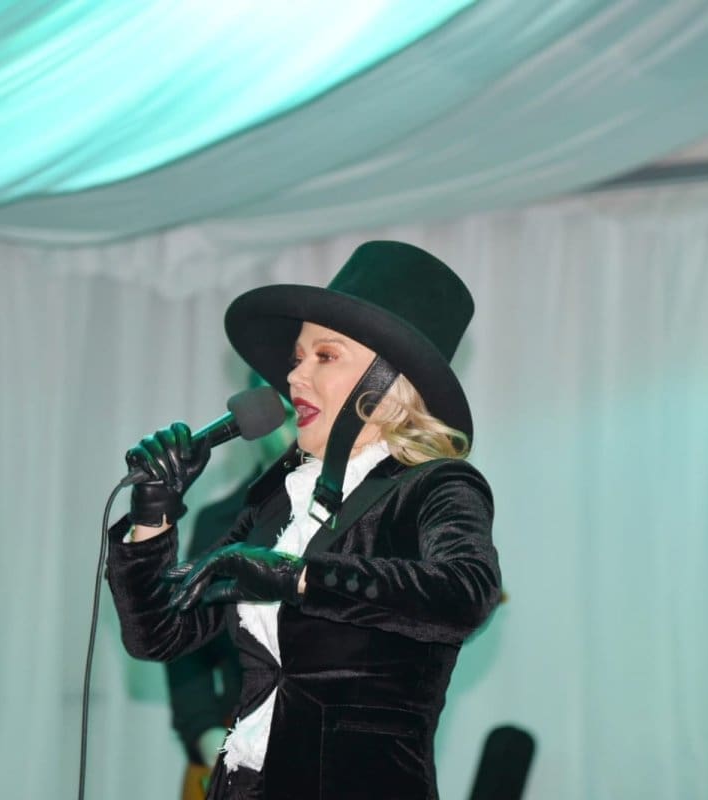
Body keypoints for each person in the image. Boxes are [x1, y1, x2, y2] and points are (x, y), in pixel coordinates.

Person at [105, 240, 502, 799]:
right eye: (297, 358)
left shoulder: (435, 486)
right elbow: (158, 635)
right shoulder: (277, 499)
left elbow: (466, 593)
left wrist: (294, 576)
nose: (293, 378)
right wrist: (154, 511)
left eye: (325, 356)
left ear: (389, 382)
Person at [167, 389, 294, 800]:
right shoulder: (219, 521)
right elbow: (185, 642)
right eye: (284, 410)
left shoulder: (365, 511)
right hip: (238, 737)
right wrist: (207, 737)